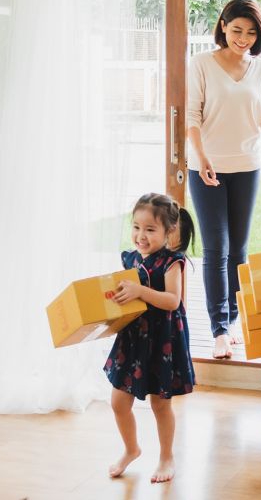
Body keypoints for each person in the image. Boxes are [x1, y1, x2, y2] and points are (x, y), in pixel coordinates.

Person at [186, 0, 261, 359]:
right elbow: (192, 116)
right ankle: (219, 330)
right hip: (207, 167)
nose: (243, 38)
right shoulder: (201, 64)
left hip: (247, 165)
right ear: (223, 26)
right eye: (237, 30)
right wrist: (202, 157)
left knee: (239, 249)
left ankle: (235, 318)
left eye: (251, 32)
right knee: (216, 248)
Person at [104, 193, 196, 483]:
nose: (140, 235)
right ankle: (131, 449)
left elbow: (173, 300)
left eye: (150, 229)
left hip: (162, 340)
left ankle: (167, 456)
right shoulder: (129, 258)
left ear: (169, 231)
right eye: (136, 227)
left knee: (160, 403)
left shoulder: (172, 262)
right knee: (118, 401)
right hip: (133, 338)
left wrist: (140, 292)